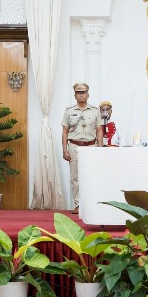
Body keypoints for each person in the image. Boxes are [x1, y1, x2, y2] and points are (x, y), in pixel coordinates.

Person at [62, 82, 103, 213]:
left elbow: (99, 131)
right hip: (74, 146)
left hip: (91, 146)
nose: (81, 95)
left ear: (88, 94)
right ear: (75, 95)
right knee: (75, 178)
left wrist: (100, 149)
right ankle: (78, 204)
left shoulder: (95, 111)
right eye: (78, 93)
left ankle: (91, 204)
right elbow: (64, 131)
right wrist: (65, 149)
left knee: (92, 176)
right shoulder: (69, 111)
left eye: (83, 92)